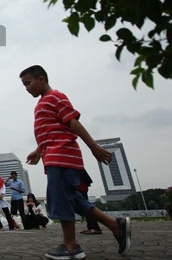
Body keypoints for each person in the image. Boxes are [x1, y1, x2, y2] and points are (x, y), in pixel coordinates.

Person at [20, 65, 131, 259]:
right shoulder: (42, 103)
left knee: (62, 200)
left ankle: (71, 247)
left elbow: (72, 122)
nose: (27, 88)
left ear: (41, 79)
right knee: (74, 200)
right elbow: (51, 132)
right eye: (24, 85)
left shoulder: (56, 97)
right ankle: (115, 224)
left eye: (28, 83)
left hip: (62, 157)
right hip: (53, 156)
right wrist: (39, 151)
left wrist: (94, 147)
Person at [78, 170, 103, 235]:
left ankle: (94, 227)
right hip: (79, 182)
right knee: (84, 206)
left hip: (79, 183)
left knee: (84, 206)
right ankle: (91, 227)